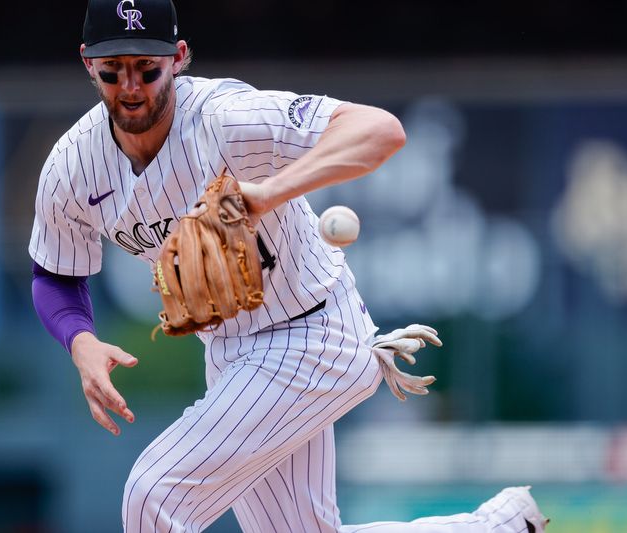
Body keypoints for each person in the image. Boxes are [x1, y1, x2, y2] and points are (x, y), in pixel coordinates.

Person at [29, 0, 549, 531]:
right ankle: (500, 526)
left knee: (154, 494)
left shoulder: (226, 118)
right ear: (88, 63)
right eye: (114, 70)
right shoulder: (73, 165)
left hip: (314, 330)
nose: (132, 87)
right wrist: (81, 341)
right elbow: (55, 274)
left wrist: (267, 193)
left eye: (148, 68)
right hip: (234, 353)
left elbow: (381, 130)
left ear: (180, 58)